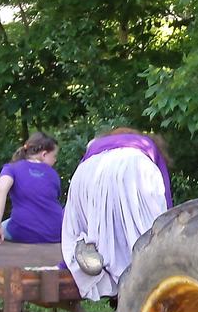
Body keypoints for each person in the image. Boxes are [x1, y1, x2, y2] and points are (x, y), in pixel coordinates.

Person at [61, 128, 171, 300]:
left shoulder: (96, 145)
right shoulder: (148, 146)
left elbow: (73, 210)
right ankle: (137, 267)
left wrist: (64, 259)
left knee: (86, 214)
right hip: (134, 168)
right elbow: (165, 203)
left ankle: (87, 246)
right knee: (148, 228)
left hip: (88, 170)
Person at [0, 132, 65, 244]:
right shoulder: (53, 174)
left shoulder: (12, 168)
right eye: (54, 156)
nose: (55, 160)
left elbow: (1, 191)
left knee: (0, 228)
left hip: (23, 232)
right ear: (44, 155)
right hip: (56, 233)